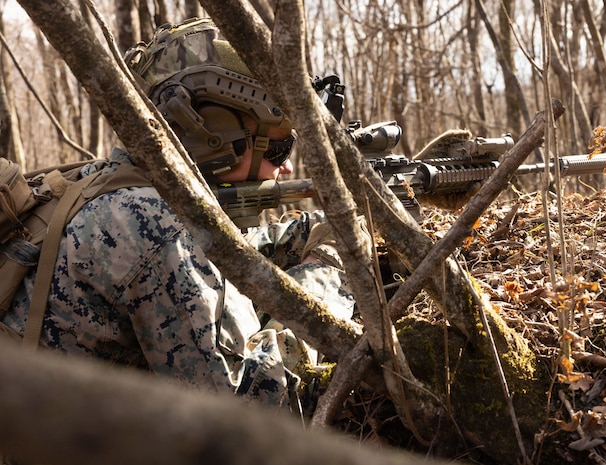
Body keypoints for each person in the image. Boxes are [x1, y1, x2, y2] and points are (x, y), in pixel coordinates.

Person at [1, 17, 354, 409]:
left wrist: (307, 232)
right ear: (212, 135)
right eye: (277, 149)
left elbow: (230, 251)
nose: (285, 168)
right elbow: (257, 413)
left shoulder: (112, 187)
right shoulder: (160, 230)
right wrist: (326, 274)